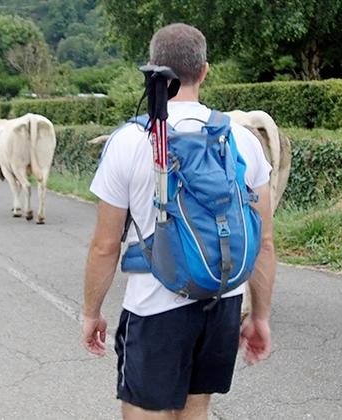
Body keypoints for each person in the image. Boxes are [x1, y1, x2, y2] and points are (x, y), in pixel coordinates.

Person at [82, 23, 276, 419]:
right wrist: (259, 317)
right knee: (196, 409)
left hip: (154, 308)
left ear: (152, 69)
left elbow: (105, 246)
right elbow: (265, 242)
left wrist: (91, 312)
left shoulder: (131, 140)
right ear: (204, 70)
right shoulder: (242, 140)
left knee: (144, 411)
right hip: (221, 304)